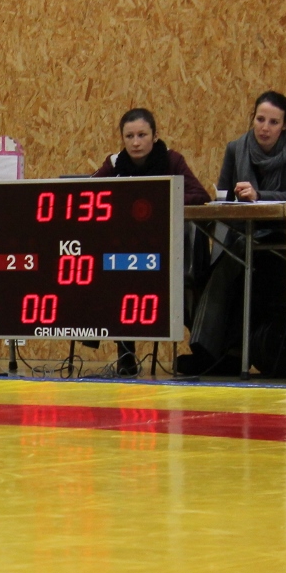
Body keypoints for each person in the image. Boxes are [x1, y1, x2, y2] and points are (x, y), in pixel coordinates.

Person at [178, 91, 286, 376]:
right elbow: (224, 194)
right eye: (260, 119)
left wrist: (259, 195)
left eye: (273, 122)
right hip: (241, 232)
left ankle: (219, 352)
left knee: (239, 265)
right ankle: (214, 351)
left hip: (282, 236)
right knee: (217, 265)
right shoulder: (236, 148)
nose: (265, 127)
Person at [91, 108, 211, 376]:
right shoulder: (114, 164)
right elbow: (89, 193)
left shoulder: (172, 160)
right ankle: (125, 354)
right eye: (129, 136)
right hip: (126, 247)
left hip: (167, 247)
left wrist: (159, 198)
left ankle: (202, 350)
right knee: (112, 278)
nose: (136, 142)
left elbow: (200, 195)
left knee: (181, 285)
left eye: (142, 135)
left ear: (155, 136)